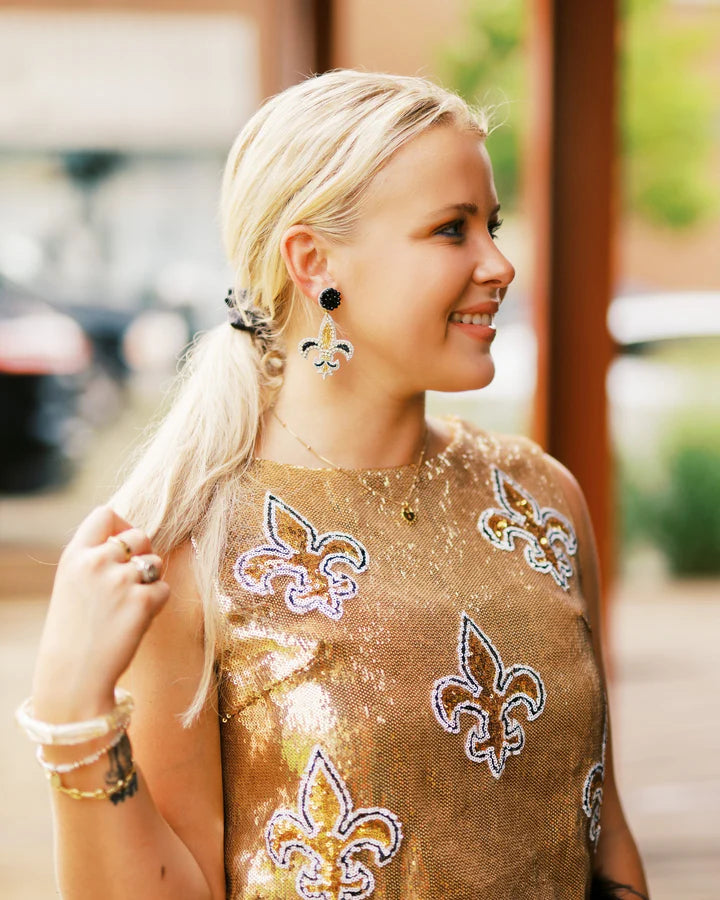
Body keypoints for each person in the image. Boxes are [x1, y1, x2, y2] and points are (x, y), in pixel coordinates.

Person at [19, 70, 649, 899]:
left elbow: (603, 833)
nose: (500, 262)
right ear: (315, 263)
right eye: (450, 229)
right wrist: (73, 713)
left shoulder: (542, 500)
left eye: (489, 224)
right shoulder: (187, 548)